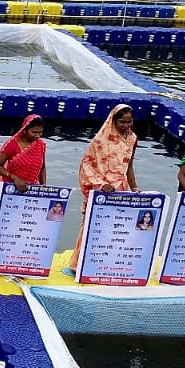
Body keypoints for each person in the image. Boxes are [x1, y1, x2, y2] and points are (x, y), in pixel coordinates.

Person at [69, 103, 141, 269]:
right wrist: (100, 184)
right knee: (91, 225)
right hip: (101, 190)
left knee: (113, 227)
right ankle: (78, 265)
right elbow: (86, 165)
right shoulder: (100, 140)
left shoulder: (132, 138)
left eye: (129, 121)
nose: (126, 125)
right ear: (113, 121)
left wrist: (134, 187)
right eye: (122, 122)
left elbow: (129, 165)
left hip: (120, 189)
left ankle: (104, 263)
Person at [0, 114, 47, 195]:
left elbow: (42, 168)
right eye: (34, 132)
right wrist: (15, 178)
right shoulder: (13, 145)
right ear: (24, 130)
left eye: (40, 132)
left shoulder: (41, 145)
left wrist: (44, 187)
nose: (38, 136)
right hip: (11, 188)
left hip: (31, 189)